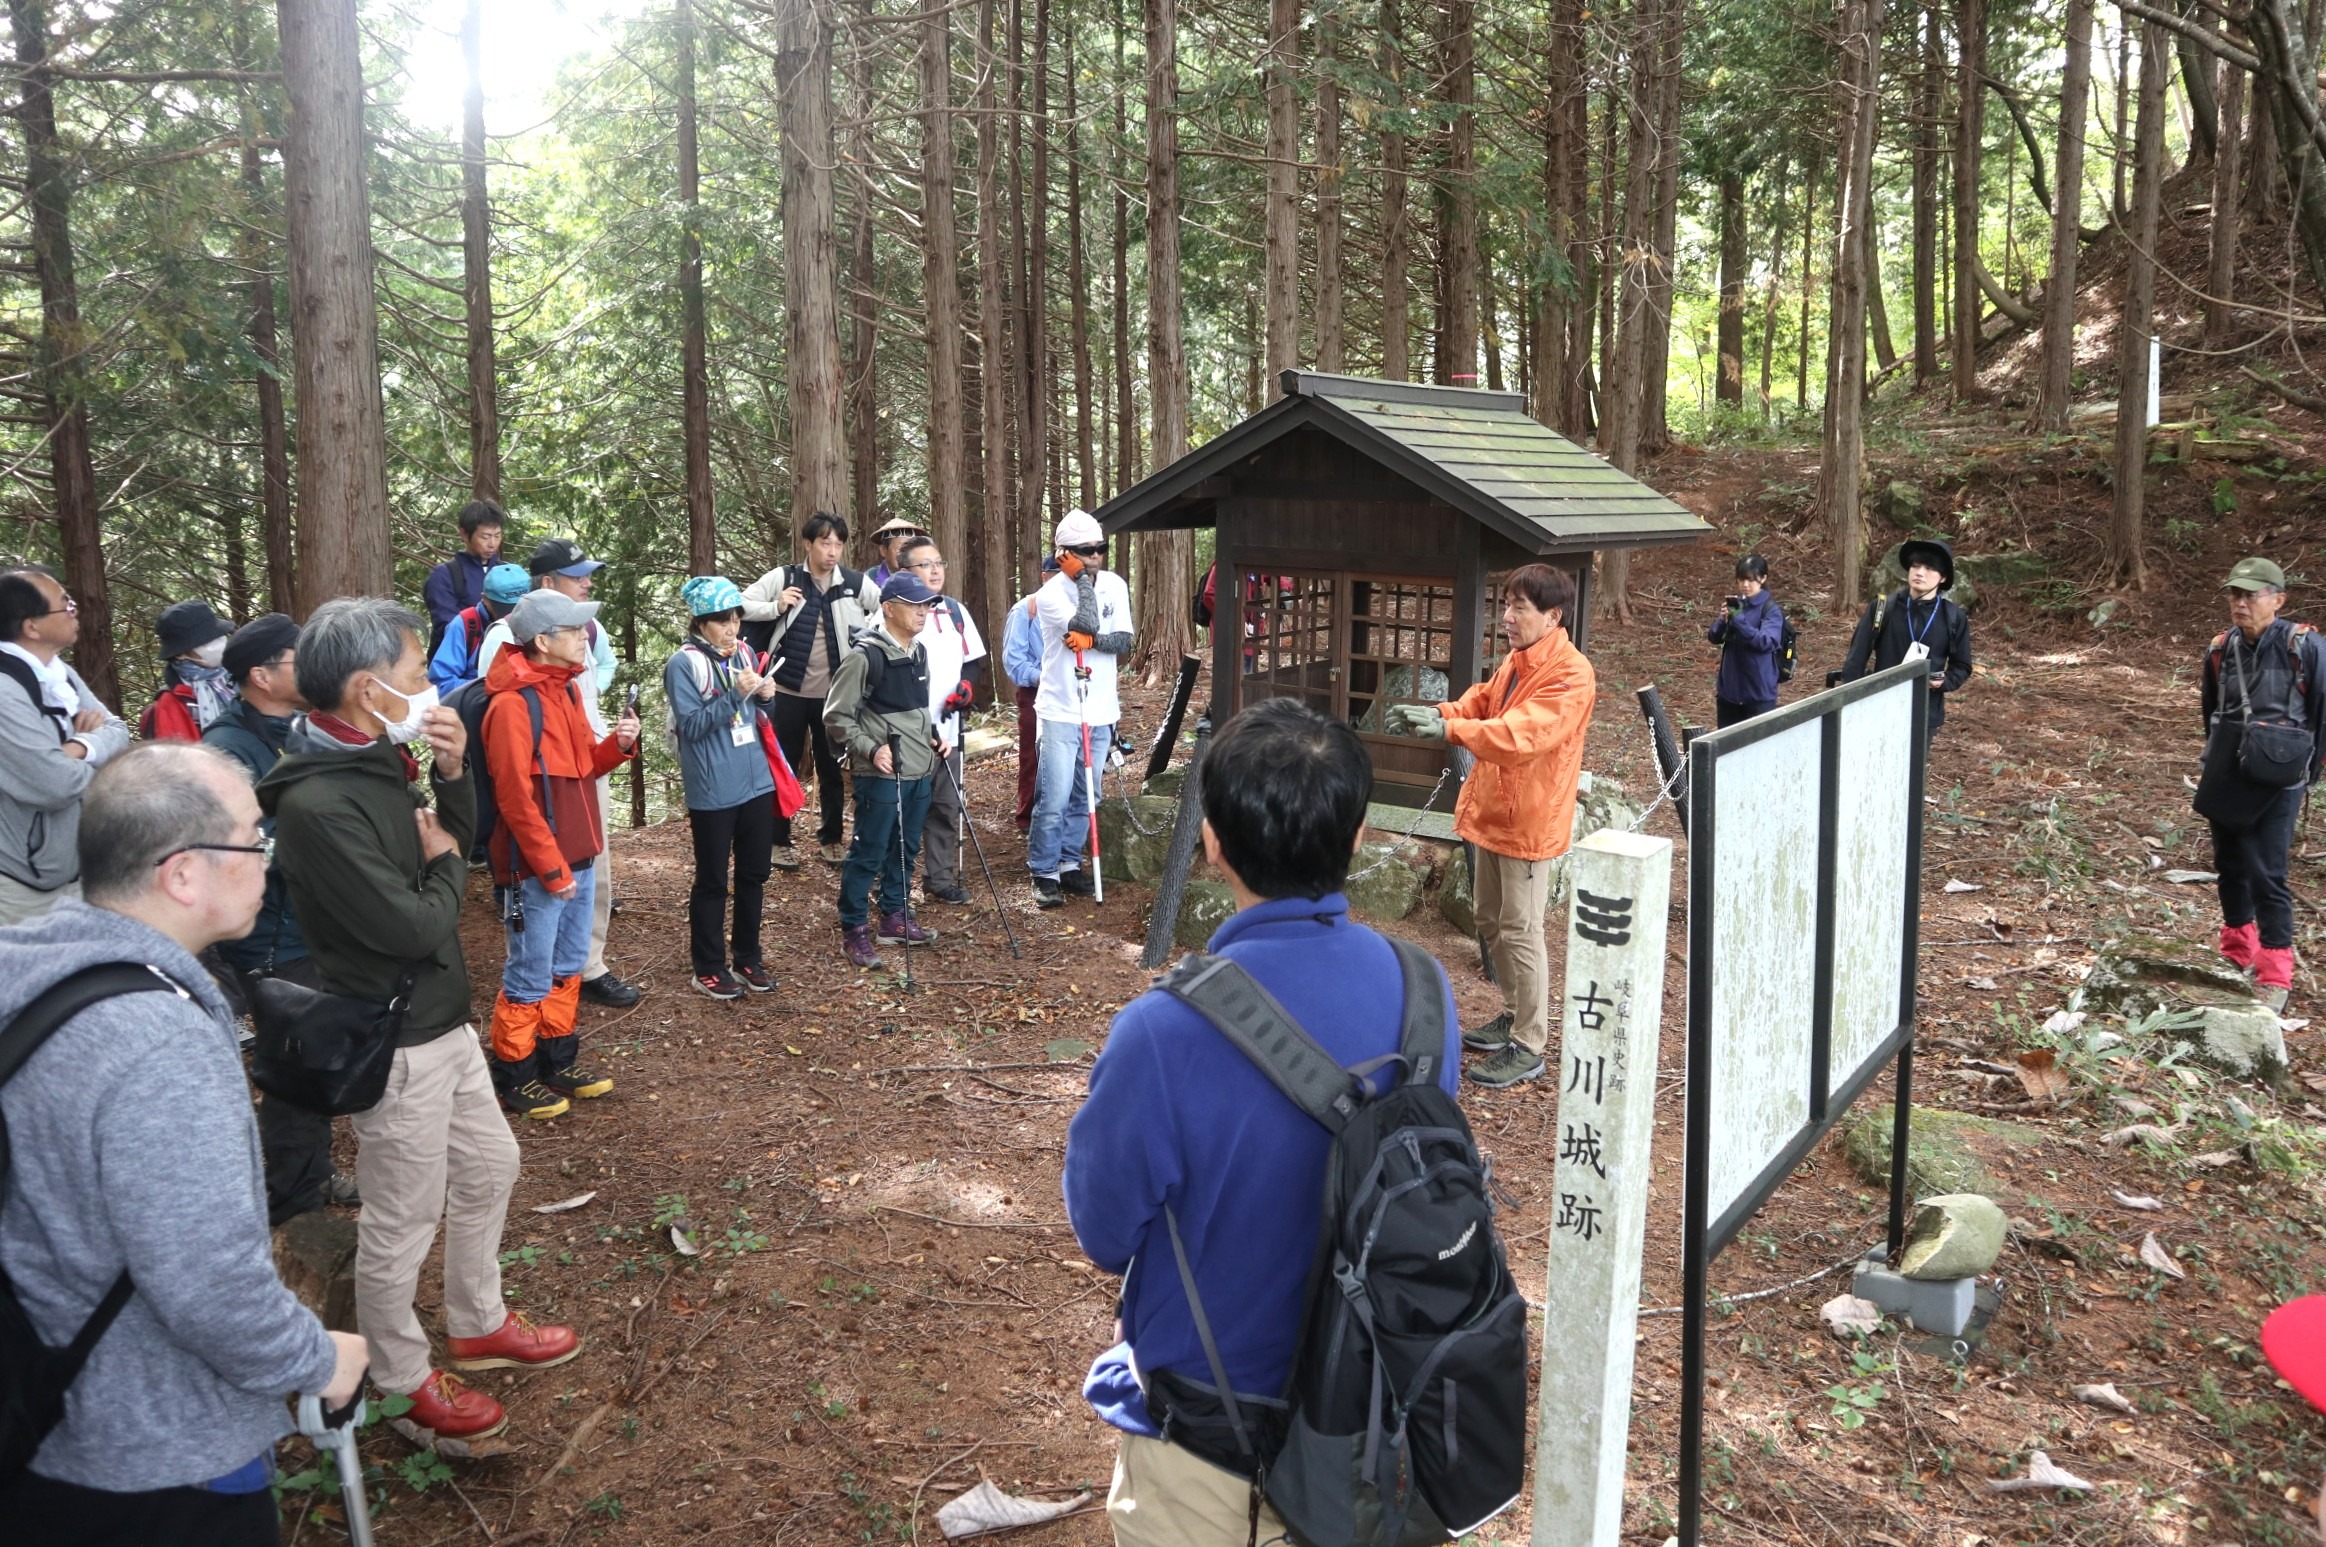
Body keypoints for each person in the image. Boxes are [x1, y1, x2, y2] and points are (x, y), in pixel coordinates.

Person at [1062, 699, 1460, 1546]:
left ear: (1212, 842)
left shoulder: (1161, 1032)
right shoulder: (1425, 993)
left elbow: (1104, 1230)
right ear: (1358, 836)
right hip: (1372, 1431)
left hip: (1210, 1443)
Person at [0, 742, 368, 1542]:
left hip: (43, 1420)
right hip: (153, 1456)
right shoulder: (155, 1037)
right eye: (253, 837)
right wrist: (318, 1358)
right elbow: (209, 1285)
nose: (268, 858)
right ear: (183, 873)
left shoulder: (37, 970)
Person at [260, 597, 577, 1448]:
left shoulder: (376, 759)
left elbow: (453, 848)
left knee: (492, 1163)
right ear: (369, 689)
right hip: (394, 1035)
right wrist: (441, 867)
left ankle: (478, 1321)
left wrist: (453, 772)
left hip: (441, 1018)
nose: (428, 688)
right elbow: (413, 923)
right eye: (412, 674)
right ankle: (401, 1377)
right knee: (403, 1215)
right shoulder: (320, 802)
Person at [1386, 563, 1596, 1088]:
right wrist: (1441, 712)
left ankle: (1529, 1042)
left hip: (1530, 822)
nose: (1507, 617)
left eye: (1519, 608)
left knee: (1521, 930)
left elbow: (1522, 733)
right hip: (1494, 812)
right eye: (1506, 605)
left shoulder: (1571, 674)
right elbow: (1485, 702)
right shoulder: (1517, 661)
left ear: (1553, 616)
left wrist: (1451, 729)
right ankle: (1512, 1011)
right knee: (1488, 919)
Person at [202, 612, 358, 1222]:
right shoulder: (228, 748)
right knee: (294, 1064)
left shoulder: (299, 728)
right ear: (261, 676)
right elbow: (247, 846)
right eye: (299, 658)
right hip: (273, 936)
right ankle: (294, 1201)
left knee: (313, 1056)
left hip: (311, 924)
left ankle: (309, 1175)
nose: (314, 667)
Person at [481, 591, 639, 1118]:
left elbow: (583, 769)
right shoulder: (511, 705)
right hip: (537, 869)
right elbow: (514, 800)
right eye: (573, 630)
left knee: (569, 965)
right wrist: (550, 869)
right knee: (530, 970)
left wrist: (618, 745)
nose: (583, 638)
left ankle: (556, 1061)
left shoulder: (565, 689)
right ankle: (515, 1073)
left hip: (581, 856)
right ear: (543, 641)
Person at [2200, 557, 2326, 1013]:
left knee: (2267, 872)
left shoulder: (2304, 646)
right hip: (2229, 771)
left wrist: (2305, 774)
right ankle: (2237, 949)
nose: (2241, 603)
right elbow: (2211, 712)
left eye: (2251, 595)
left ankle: (2275, 971)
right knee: (2230, 865)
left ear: (2278, 600)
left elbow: (2322, 714)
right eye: (2235, 594)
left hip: (2280, 778)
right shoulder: (2221, 648)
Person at [741, 511, 881, 869]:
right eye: (824, 542)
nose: (832, 551)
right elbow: (739, 605)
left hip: (835, 695)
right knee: (782, 764)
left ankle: (831, 840)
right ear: (808, 544)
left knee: (832, 769)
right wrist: (775, 606)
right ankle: (778, 841)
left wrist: (867, 640)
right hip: (785, 692)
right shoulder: (784, 578)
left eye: (838, 543)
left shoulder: (854, 583)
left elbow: (886, 608)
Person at [667, 577, 782, 1000]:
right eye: (722, 621)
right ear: (700, 623)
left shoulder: (746, 653)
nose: (732, 629)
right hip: (713, 789)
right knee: (713, 879)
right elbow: (692, 726)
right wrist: (734, 695)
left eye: (736, 619)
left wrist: (766, 696)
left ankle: (748, 957)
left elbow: (759, 716)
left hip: (756, 782)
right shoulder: (684, 664)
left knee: (754, 874)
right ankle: (709, 966)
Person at [824, 571, 943, 969]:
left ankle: (894, 916)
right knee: (869, 851)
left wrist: (934, 737)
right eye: (914, 605)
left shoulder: (919, 652)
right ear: (889, 608)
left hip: (919, 770)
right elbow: (836, 716)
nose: (923, 611)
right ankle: (854, 929)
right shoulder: (865, 657)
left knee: (906, 848)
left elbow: (916, 712)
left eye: (926, 605)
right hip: (880, 774)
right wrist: (871, 750)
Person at [0, 566, 130, 927]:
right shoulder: (5, 692)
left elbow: (119, 732)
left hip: (74, 874)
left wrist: (78, 746)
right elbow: (53, 784)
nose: (75, 610)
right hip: (20, 885)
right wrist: (96, 760)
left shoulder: (59, 674)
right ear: (31, 626)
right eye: (65, 604)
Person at [1028, 511, 1133, 908]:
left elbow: (1122, 641)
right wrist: (1082, 582)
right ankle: (1044, 870)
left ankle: (1069, 863)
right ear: (1064, 554)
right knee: (1053, 798)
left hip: (1101, 708)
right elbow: (1085, 622)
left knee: (1087, 796)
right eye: (1085, 551)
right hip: (1060, 709)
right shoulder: (1050, 594)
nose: (1095, 557)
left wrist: (1093, 642)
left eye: (1100, 549)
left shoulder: (1116, 585)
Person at [895, 535, 987, 905]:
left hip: (949, 730)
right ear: (905, 571)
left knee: (946, 808)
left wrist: (966, 687)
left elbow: (972, 662)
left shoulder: (954, 611)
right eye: (925, 564)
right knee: (902, 813)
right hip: (906, 735)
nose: (935, 571)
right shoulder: (891, 613)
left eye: (939, 563)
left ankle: (940, 878)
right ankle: (896, 888)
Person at [1839, 537, 1973, 734]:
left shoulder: (1953, 617)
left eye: (1929, 568)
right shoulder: (1883, 607)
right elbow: (1856, 659)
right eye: (1915, 566)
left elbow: (1962, 665)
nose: (1919, 572)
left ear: (1943, 577)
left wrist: (1943, 681)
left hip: (1924, 713)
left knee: (1914, 756)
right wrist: (1850, 702)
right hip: (1880, 708)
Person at [1001, 556, 1060, 832]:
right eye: (1056, 574)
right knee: (1032, 756)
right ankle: (1028, 818)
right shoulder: (1026, 610)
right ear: (1044, 576)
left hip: (1069, 693)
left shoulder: (1074, 608)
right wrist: (1045, 675)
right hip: (1035, 694)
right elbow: (1014, 661)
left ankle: (1065, 815)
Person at [137, 599, 236, 742]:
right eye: (206, 641)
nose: (218, 643)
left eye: (219, 636)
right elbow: (178, 755)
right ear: (180, 654)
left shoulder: (241, 673)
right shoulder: (170, 705)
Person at [428, 561, 532, 694]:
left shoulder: (537, 617)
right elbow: (442, 682)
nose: (511, 617)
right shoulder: (466, 625)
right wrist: (487, 686)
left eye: (519, 609)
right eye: (506, 610)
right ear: (485, 599)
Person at [422, 497, 507, 657]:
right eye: (485, 537)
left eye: (497, 536)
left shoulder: (507, 572)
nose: (492, 544)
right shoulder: (444, 576)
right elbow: (448, 627)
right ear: (464, 534)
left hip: (503, 659)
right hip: (459, 664)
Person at [1707, 554, 1784, 727]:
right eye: (1741, 579)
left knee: (1759, 742)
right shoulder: (1736, 605)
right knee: (1727, 743)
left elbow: (1767, 642)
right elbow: (1714, 637)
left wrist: (1739, 622)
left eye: (1751, 580)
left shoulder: (1770, 610)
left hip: (1758, 695)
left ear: (1763, 579)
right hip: (1729, 693)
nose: (1745, 585)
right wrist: (1722, 621)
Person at [865, 515, 927, 589]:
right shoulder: (870, 578)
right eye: (900, 549)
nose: (906, 554)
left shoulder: (923, 575)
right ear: (883, 551)